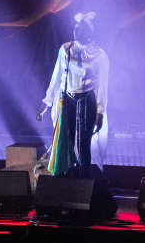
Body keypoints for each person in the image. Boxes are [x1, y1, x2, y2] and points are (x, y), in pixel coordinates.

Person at [36, 12, 109, 178]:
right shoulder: (66, 49)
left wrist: (100, 112)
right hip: (68, 99)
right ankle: (66, 179)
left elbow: (103, 85)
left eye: (82, 28)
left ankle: (84, 182)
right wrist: (46, 103)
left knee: (84, 143)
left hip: (87, 100)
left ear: (90, 31)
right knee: (66, 142)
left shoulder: (99, 54)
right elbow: (56, 77)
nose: (77, 30)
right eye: (76, 27)